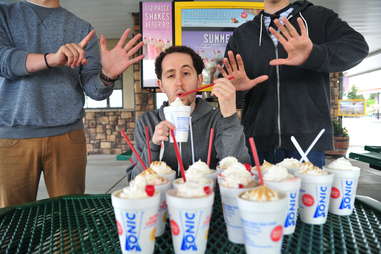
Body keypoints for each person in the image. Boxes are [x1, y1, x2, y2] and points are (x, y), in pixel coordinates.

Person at [0, 0, 144, 207]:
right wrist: (51, 59)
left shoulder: (82, 28)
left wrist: (108, 76)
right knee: (11, 223)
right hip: (10, 137)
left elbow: (94, 90)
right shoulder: (5, 12)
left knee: (70, 220)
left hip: (68, 137)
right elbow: (4, 61)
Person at [219, 0, 369, 167]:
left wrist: (313, 54)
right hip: (256, 143)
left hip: (308, 143)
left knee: (307, 193)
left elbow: (358, 48)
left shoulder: (319, 17)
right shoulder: (242, 34)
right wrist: (236, 91)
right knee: (255, 193)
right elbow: (225, 88)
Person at [130, 45, 250, 176]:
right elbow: (134, 179)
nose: (179, 83)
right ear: (161, 85)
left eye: (186, 73)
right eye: (170, 75)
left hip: (207, 195)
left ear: (199, 81)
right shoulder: (147, 123)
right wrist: (153, 145)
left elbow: (239, 173)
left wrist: (229, 116)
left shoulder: (216, 119)